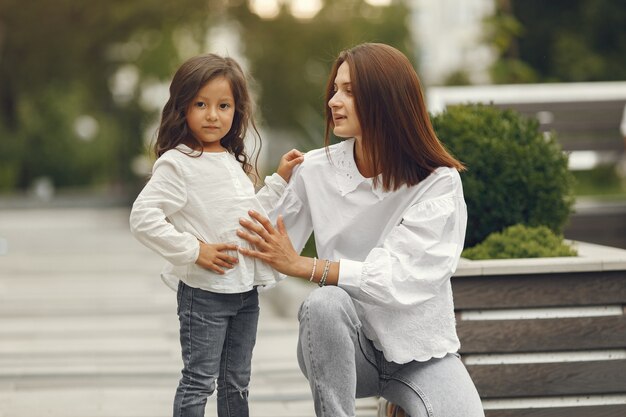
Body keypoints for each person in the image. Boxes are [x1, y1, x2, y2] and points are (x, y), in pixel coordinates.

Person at [237, 43, 485, 417]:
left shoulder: (437, 182)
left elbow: (399, 277)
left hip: (419, 352)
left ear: (386, 99)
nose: (334, 101)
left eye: (350, 91)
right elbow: (262, 246)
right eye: (335, 89)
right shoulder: (314, 170)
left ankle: (398, 404)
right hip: (343, 350)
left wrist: (307, 267)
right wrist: (273, 189)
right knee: (325, 303)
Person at [129, 53, 303, 417]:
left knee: (237, 382)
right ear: (183, 108)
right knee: (198, 382)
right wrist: (194, 250)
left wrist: (281, 178)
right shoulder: (178, 162)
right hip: (204, 296)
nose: (212, 115)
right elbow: (143, 218)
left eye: (223, 105)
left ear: (236, 111)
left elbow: (250, 215)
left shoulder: (229, 159)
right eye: (201, 104)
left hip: (245, 295)